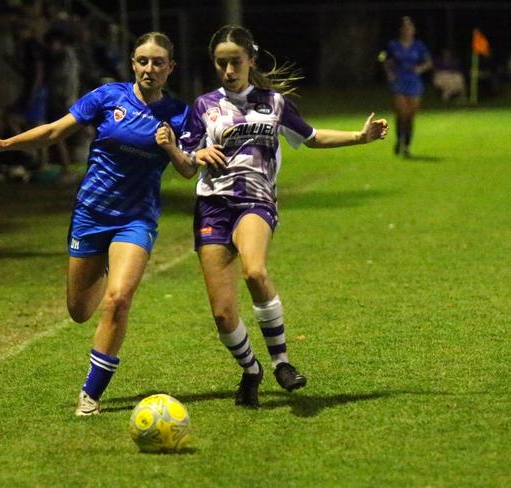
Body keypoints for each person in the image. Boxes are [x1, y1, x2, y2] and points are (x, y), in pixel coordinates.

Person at [156, 25, 388, 408]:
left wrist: (359, 137)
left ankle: (281, 362)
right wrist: (186, 153)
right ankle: (251, 370)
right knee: (222, 313)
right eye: (221, 63)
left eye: (235, 62)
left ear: (250, 60)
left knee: (255, 271)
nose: (228, 70)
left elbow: (311, 137)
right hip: (212, 205)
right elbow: (185, 166)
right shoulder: (203, 106)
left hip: (255, 199)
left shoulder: (274, 102)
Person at [0, 32, 193, 416]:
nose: (150, 69)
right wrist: (7, 145)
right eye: (143, 61)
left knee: (118, 299)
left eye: (159, 62)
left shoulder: (178, 113)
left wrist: (172, 147)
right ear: (132, 63)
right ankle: (106, 265)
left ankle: (90, 395)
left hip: (136, 219)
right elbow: (56, 130)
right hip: (91, 215)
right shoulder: (107, 97)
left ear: (170, 68)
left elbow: (189, 169)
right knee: (79, 310)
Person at [379, 16, 432, 157]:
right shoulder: (393, 45)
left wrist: (420, 69)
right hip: (399, 82)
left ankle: (407, 144)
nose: (407, 30)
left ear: (414, 30)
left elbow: (428, 62)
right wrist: (389, 73)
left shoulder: (419, 45)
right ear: (401, 30)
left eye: (410, 27)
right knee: (401, 113)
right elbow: (384, 59)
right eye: (405, 28)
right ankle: (399, 140)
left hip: (414, 82)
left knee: (410, 116)